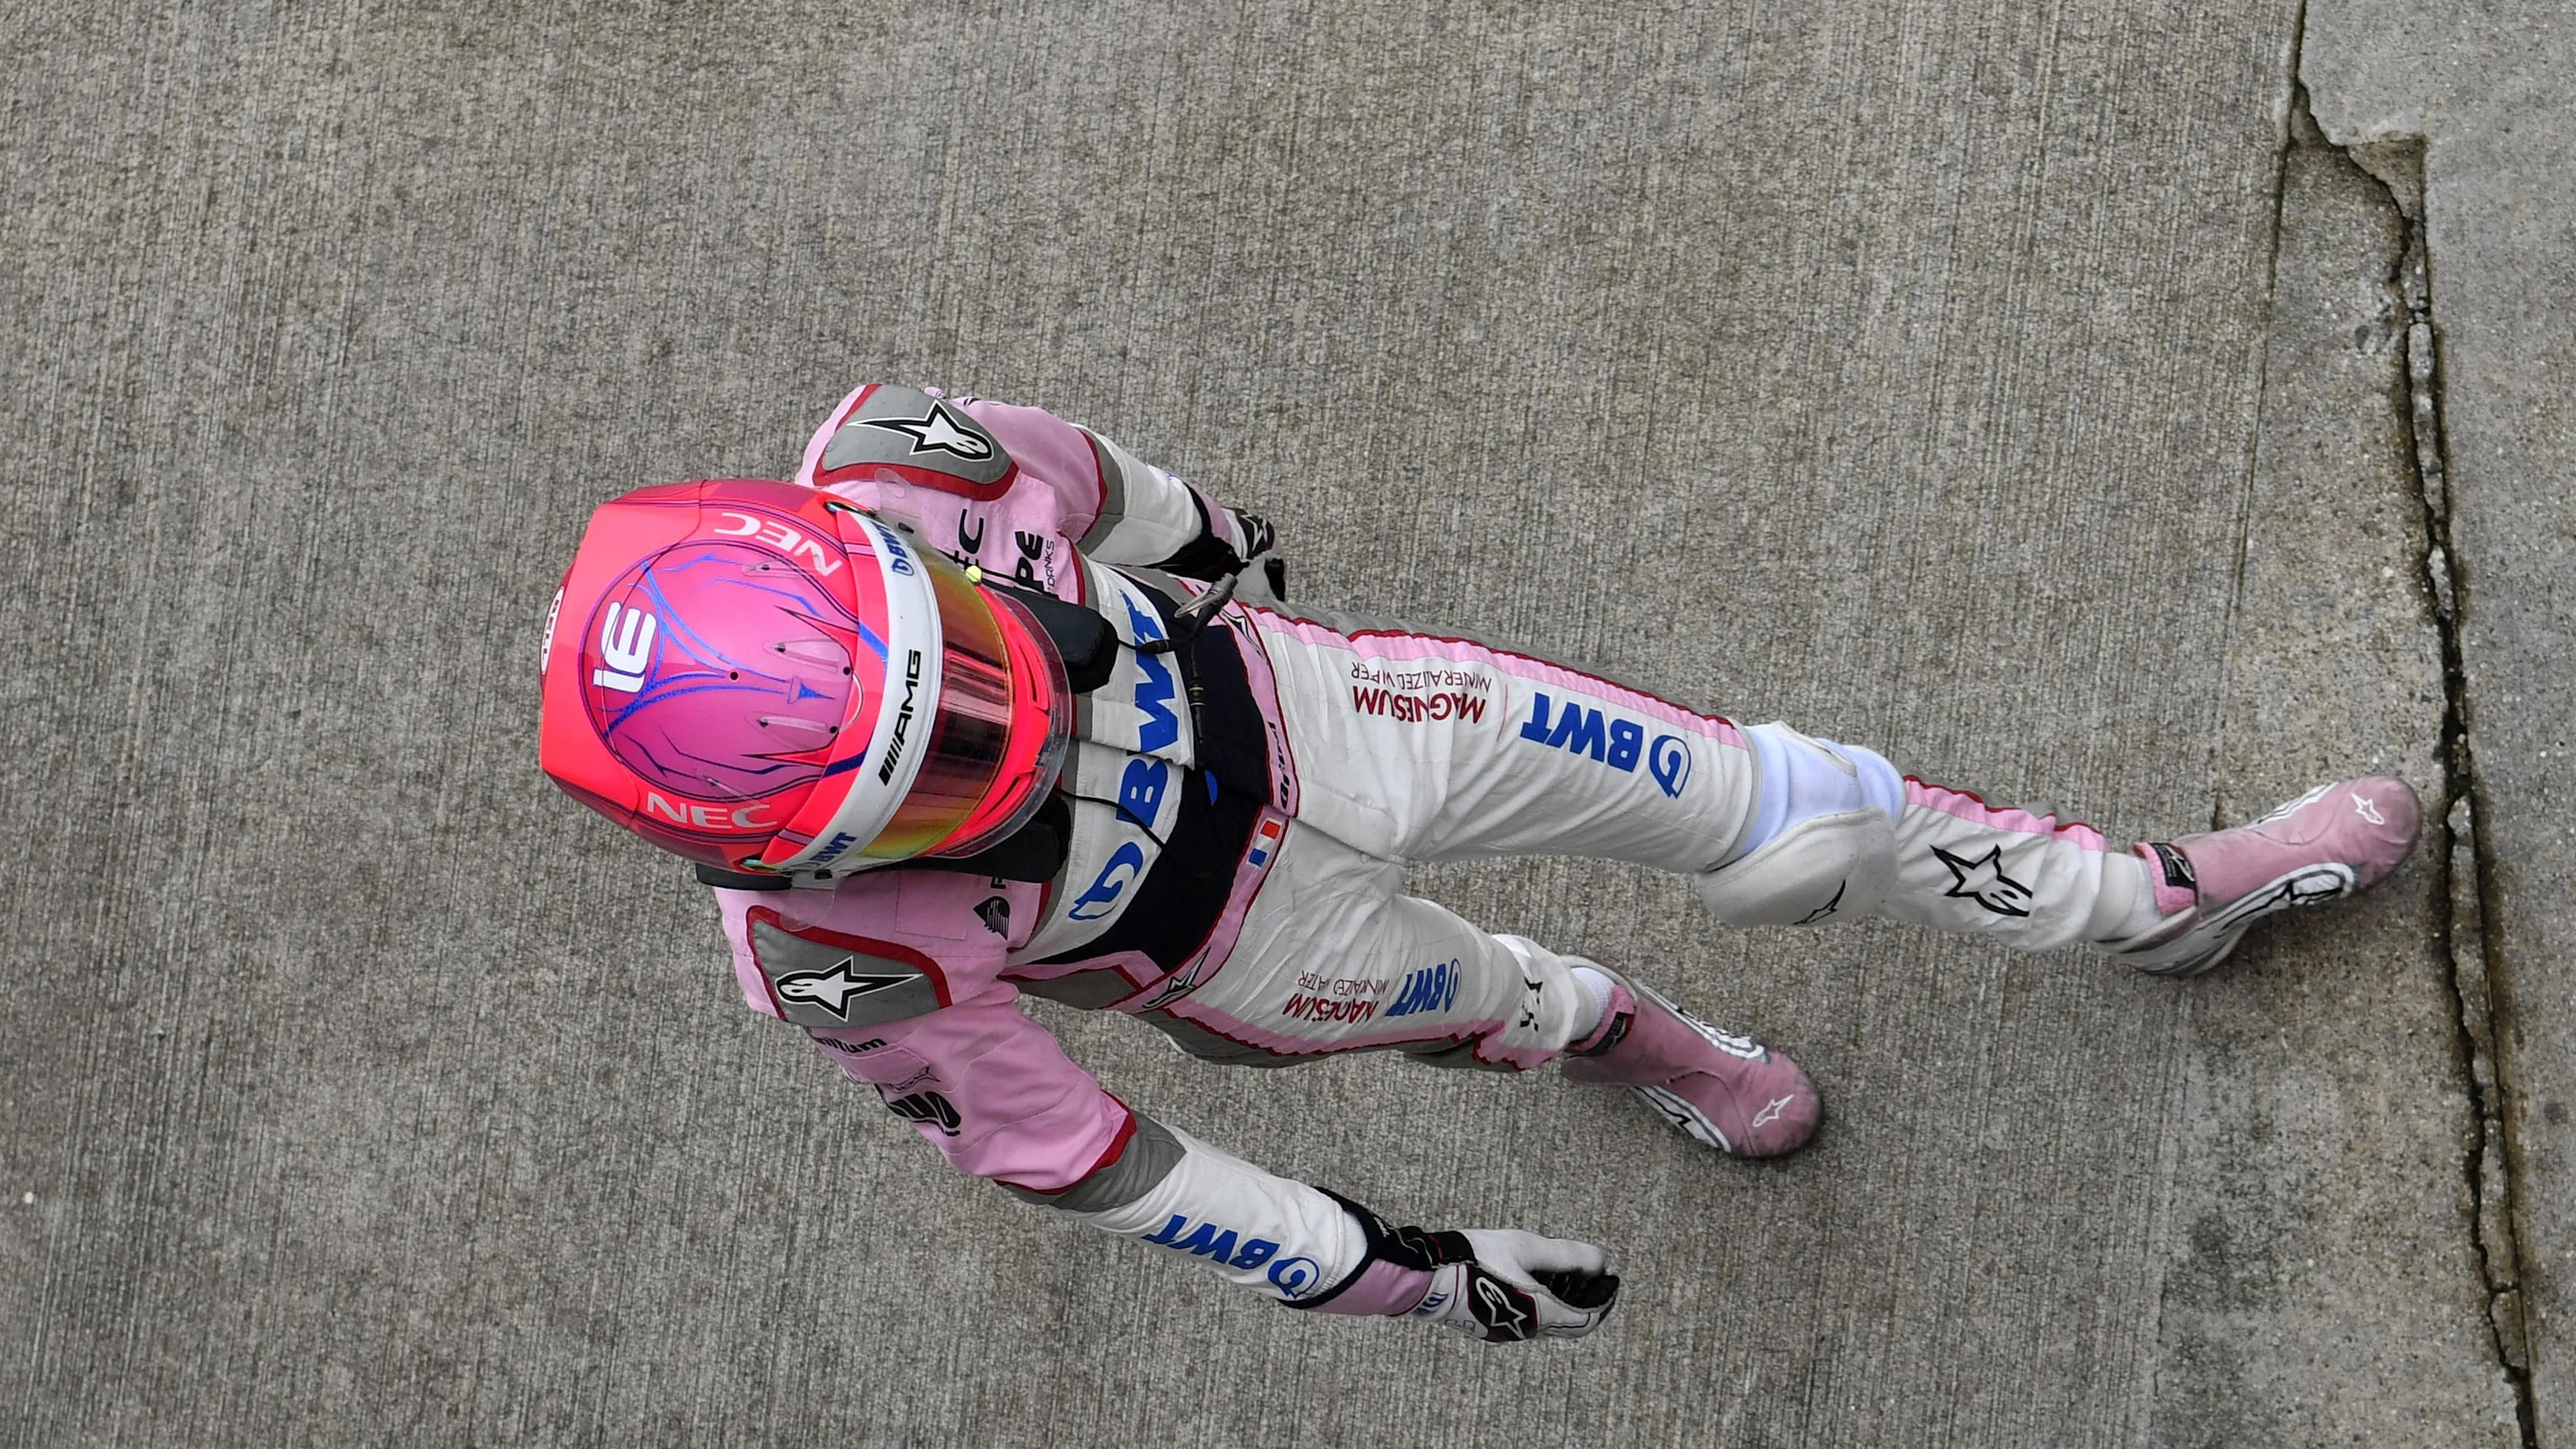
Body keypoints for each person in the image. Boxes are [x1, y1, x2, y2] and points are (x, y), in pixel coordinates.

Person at [536, 384, 2421, 1343]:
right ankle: (1638, 1043)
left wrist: (1212, 540)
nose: (1004, 743)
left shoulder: (895, 455)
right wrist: (1397, 1275)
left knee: (1792, 802)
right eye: (942, 788)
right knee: (1507, 999)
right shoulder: (829, 968)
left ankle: (2158, 906)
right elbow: (1081, 1160)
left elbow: (1091, 476)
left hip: (1339, 709)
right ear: (786, 850)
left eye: (983, 660)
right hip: (1250, 947)